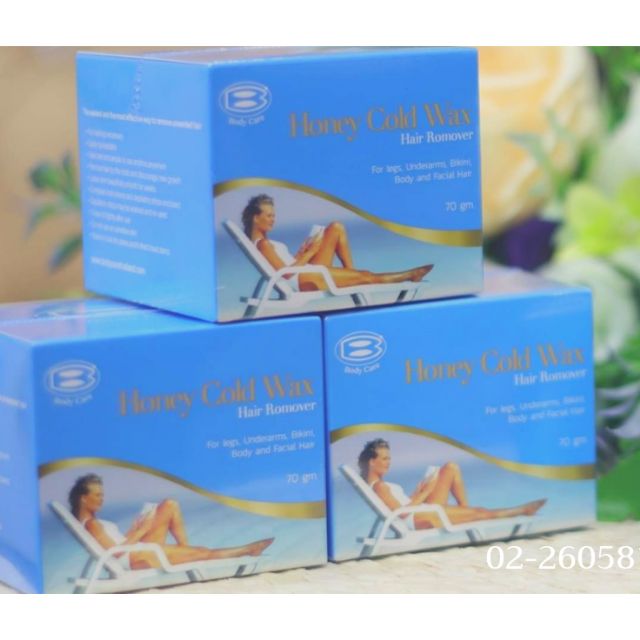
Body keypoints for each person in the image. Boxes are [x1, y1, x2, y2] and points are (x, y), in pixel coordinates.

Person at [69, 474, 274, 570]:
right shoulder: (92, 524)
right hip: (137, 558)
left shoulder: (90, 522)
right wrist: (141, 531)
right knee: (202, 552)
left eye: (102, 495)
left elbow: (116, 547)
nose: (102, 499)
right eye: (98, 495)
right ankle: (248, 550)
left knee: (170, 505)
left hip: (136, 551)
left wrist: (135, 528)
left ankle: (186, 553)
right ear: (83, 498)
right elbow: (116, 554)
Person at [241, 194, 434, 291]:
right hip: (303, 280)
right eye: (269, 215)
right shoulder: (263, 244)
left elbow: (285, 268)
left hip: (304, 273)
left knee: (336, 228)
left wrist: (301, 253)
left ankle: (352, 276)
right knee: (366, 276)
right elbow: (286, 274)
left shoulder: (263, 243)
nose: (273, 219)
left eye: (274, 215)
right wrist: (310, 253)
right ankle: (410, 275)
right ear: (256, 218)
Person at [358, 439, 546, 530]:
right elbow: (402, 514)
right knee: (479, 512)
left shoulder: (378, 486)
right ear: (372, 462)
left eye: (389, 458)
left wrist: (418, 492)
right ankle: (521, 510)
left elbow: (400, 508)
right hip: (419, 518)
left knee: (450, 468)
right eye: (384, 459)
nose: (389, 463)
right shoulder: (380, 487)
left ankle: (465, 512)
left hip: (419, 511)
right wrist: (425, 493)